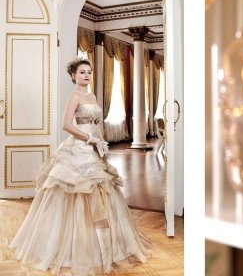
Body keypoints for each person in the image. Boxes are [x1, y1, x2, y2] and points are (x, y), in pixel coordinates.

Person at [10, 59, 151, 275]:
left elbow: (97, 124)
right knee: (73, 193)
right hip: (77, 149)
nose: (86, 75)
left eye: (89, 72)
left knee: (100, 193)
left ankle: (103, 250)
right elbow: (66, 125)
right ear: (73, 76)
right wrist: (89, 139)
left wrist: (102, 143)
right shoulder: (74, 96)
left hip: (94, 149)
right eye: (82, 72)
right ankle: (69, 250)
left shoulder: (92, 96)